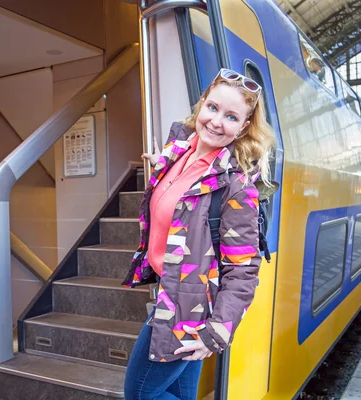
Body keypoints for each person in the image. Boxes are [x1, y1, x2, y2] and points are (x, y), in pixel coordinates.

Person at [122, 68, 276, 399]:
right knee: (180, 394)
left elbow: (244, 271)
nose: (217, 122)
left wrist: (217, 331)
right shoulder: (179, 151)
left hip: (191, 309)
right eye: (213, 108)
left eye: (232, 116)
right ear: (202, 104)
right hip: (172, 287)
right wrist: (159, 161)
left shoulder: (236, 186)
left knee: (139, 394)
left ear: (244, 127)